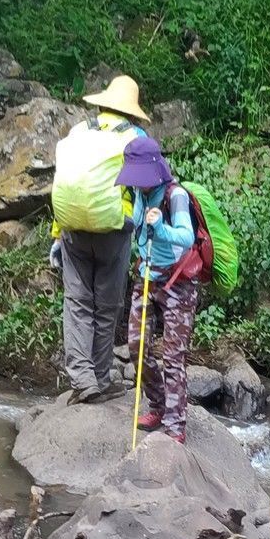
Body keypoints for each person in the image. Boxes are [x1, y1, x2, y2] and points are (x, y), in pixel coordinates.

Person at [50, 75, 152, 402]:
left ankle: (82, 379)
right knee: (107, 305)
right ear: (131, 110)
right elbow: (148, 189)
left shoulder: (79, 131)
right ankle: (101, 376)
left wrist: (57, 233)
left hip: (72, 227)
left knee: (77, 301)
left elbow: (65, 182)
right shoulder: (136, 137)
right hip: (114, 228)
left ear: (102, 102)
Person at [117, 135, 200, 444]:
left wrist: (161, 227)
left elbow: (186, 238)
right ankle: (158, 405)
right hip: (146, 275)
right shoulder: (141, 191)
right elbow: (136, 224)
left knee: (173, 355)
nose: (138, 183)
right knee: (136, 346)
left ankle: (176, 425)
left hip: (177, 281)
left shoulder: (175, 195)